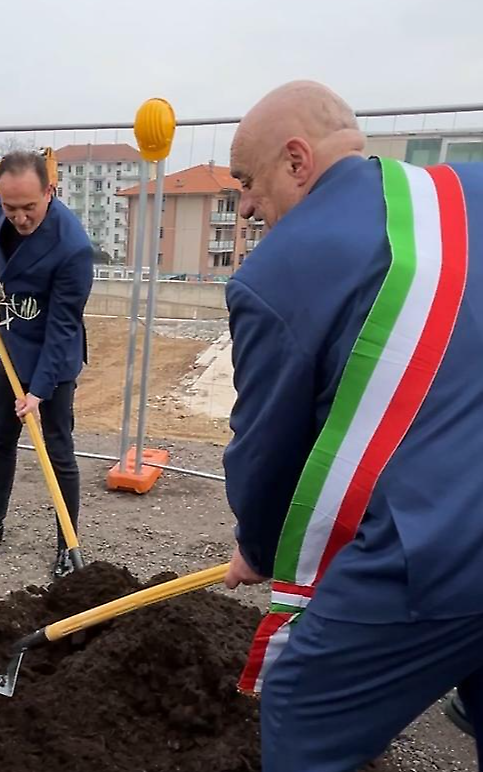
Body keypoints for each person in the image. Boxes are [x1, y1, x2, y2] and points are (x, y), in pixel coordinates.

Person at [220, 80, 483, 771]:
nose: (244, 206)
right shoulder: (469, 192)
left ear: (297, 161)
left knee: (302, 701)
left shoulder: (277, 271)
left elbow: (267, 450)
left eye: (246, 182)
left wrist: (256, 544)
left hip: (437, 552)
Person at [0, 150, 93, 580]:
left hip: (53, 359)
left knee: (58, 450)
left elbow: (63, 328)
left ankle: (68, 544)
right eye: (11, 207)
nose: (20, 218)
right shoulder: (1, 212)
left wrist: (39, 391)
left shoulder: (73, 248)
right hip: (12, 346)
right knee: (1, 439)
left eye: (29, 208)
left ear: (49, 191)